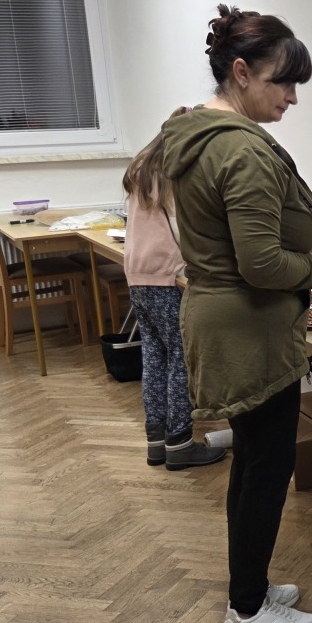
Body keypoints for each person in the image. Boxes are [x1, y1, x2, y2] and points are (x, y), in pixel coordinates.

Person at [163, 4, 312, 623]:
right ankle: (248, 614)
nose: (292, 97)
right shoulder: (240, 150)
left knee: (253, 462)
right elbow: (260, 263)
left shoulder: (198, 134)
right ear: (240, 72)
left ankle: (249, 588)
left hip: (228, 320)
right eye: (281, 82)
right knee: (265, 468)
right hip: (248, 330)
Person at [121, 114, 226, 471]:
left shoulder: (142, 166)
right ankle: (180, 443)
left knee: (154, 356)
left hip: (138, 275)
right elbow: (183, 227)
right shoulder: (171, 172)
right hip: (166, 276)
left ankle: (156, 442)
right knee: (182, 359)